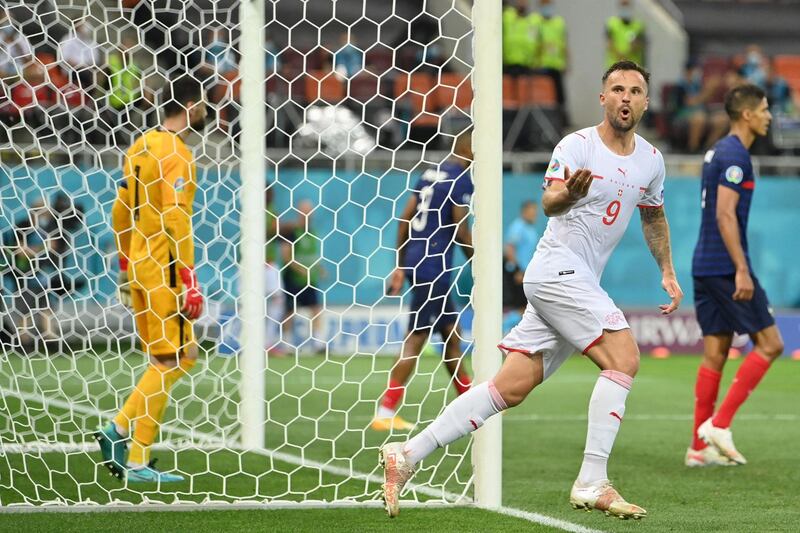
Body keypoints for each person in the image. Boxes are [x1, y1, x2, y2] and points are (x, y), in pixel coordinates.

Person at [379, 61, 683, 520]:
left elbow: (652, 215)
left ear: (645, 100)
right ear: (602, 98)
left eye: (635, 91)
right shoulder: (576, 146)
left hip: (577, 281)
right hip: (556, 271)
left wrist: (667, 270)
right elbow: (550, 201)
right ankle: (592, 480)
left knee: (510, 388)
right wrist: (570, 195)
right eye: (617, 89)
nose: (625, 97)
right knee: (625, 358)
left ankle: (407, 455)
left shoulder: (651, 161)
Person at [94, 75, 208, 483]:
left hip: (141, 264)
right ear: (192, 106)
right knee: (174, 360)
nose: (206, 112)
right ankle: (130, 447)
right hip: (165, 270)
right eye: (204, 105)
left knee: (174, 358)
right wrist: (190, 280)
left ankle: (125, 435)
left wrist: (126, 267)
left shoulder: (140, 145)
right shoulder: (177, 153)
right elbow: (177, 218)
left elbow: (120, 210)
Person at [687, 84, 782, 467]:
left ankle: (698, 447)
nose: (769, 115)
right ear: (747, 114)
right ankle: (720, 425)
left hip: (704, 264)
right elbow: (725, 214)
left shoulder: (717, 151)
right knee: (771, 344)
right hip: (726, 267)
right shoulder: (735, 155)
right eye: (764, 109)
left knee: (715, 353)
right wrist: (742, 268)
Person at [372, 129, 475, 432]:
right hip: (434, 265)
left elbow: (405, 218)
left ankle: (471, 403)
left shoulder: (430, 174)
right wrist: (479, 263)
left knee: (451, 336)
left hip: (420, 263)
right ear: (471, 148)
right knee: (416, 339)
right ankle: (385, 410)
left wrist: (401, 265)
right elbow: (461, 230)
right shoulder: (461, 178)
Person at [281, 200, 325, 354]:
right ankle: (286, 345)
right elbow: (286, 256)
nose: (307, 214)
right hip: (293, 279)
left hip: (310, 280)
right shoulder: (292, 232)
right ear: (298, 212)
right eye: (304, 211)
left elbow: (311, 255)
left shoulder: (312, 232)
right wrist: (300, 269)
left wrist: (319, 268)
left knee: (316, 309)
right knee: (289, 311)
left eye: (310, 211)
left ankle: (319, 344)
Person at [503, 200, 539, 314]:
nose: (534, 214)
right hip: (518, 274)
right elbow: (509, 250)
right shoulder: (518, 226)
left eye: (535, 211)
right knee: (518, 307)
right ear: (524, 212)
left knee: (526, 307)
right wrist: (518, 271)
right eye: (531, 211)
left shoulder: (531, 229)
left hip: (527, 273)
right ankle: (506, 329)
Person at [537, 0, 568, 111]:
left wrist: (566, 62)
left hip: (556, 65)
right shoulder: (537, 22)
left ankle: (561, 120)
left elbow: (564, 44)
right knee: (544, 96)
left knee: (559, 96)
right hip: (542, 66)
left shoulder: (559, 23)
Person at [502, 0, 541, 76]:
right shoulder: (507, 16)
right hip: (508, 64)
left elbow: (539, 42)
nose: (522, 3)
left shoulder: (534, 20)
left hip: (528, 65)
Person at [606, 0, 646, 68]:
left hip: (634, 66)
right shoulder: (611, 24)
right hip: (614, 67)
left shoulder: (638, 25)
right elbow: (609, 43)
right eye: (623, 5)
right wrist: (620, 56)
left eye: (627, 5)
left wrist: (629, 53)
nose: (625, 8)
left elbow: (641, 43)